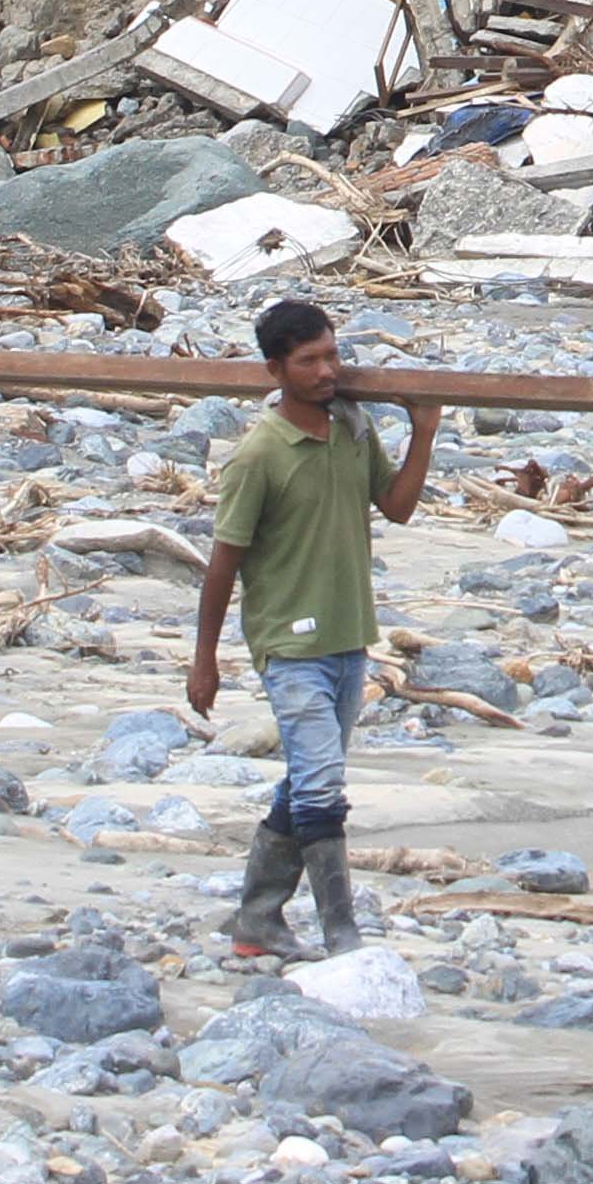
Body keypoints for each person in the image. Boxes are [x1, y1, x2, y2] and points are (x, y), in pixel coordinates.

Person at [188, 296, 437, 960]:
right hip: (289, 643)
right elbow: (222, 563)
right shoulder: (259, 454)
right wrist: (203, 659)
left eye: (332, 354)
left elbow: (398, 506)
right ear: (276, 369)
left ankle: (257, 921)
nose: (328, 370)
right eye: (309, 361)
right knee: (323, 784)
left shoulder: (353, 430)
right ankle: (340, 931)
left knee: (307, 778)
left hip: (348, 635)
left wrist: (425, 429)